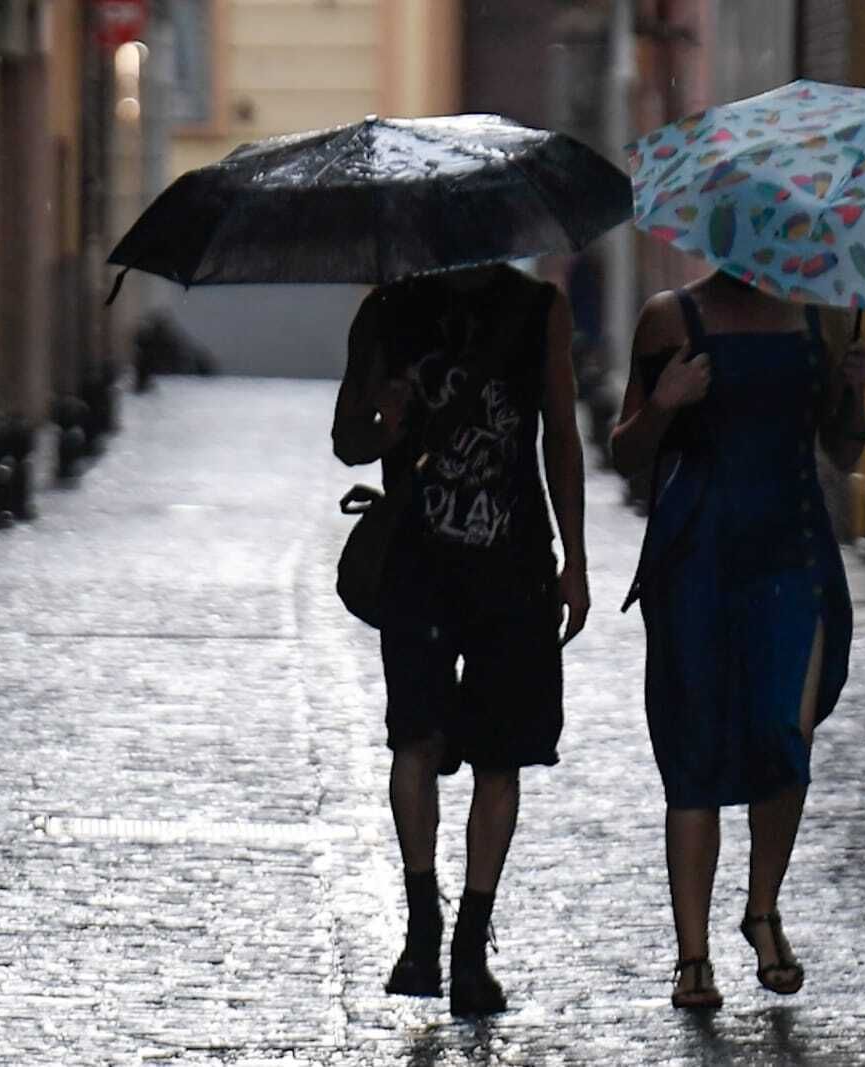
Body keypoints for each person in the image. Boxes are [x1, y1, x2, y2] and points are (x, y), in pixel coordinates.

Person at [331, 262, 590, 1017]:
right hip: (418, 562)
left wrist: (574, 560)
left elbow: (561, 438)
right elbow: (348, 440)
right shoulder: (386, 312)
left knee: (500, 754)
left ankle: (470, 945)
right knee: (413, 738)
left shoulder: (538, 309)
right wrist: (383, 411)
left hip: (512, 564)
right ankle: (422, 927)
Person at [610, 268, 865, 1010]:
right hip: (697, 560)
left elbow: (844, 453)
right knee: (693, 750)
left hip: (792, 558)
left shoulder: (815, 320)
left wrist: (854, 391)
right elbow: (627, 450)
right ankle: (691, 953)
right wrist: (663, 405)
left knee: (784, 739)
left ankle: (762, 909)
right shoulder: (671, 316)